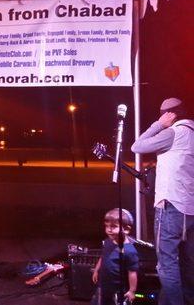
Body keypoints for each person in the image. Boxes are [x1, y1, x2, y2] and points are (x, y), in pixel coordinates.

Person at [131, 97, 194, 305]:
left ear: (170, 114)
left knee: (167, 265)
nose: (160, 117)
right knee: (187, 263)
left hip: (171, 205)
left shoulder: (172, 133)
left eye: (162, 114)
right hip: (190, 208)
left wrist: (159, 125)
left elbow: (136, 146)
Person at [91, 208, 139, 305]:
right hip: (103, 286)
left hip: (118, 290)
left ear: (126, 229)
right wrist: (96, 270)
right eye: (107, 226)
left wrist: (132, 291)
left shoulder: (130, 251)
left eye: (113, 226)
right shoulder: (107, 241)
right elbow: (103, 256)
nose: (109, 229)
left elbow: (132, 272)